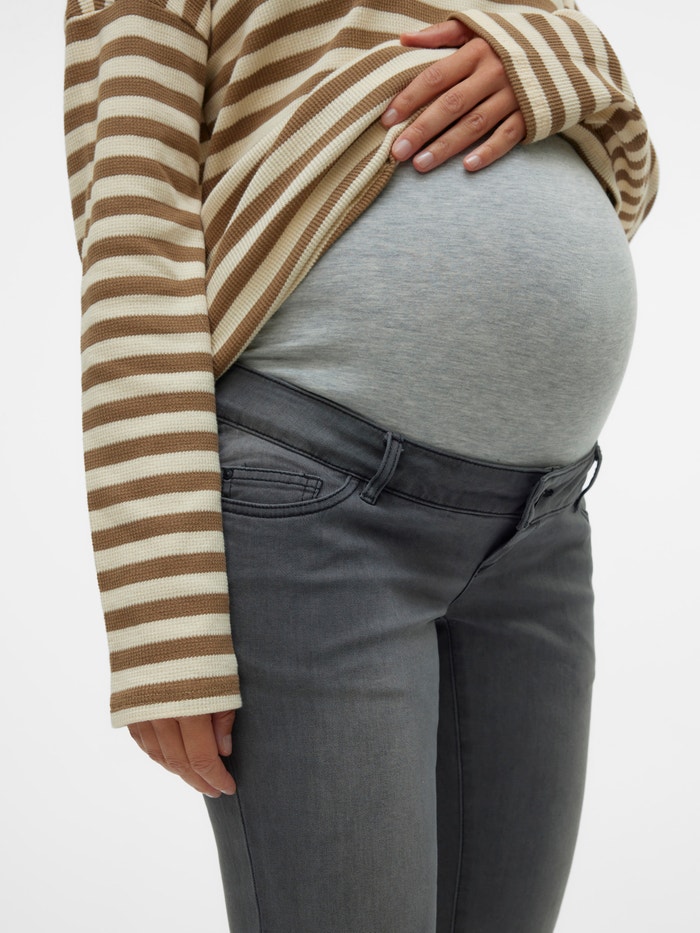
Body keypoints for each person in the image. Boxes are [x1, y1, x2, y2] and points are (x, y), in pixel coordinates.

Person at [62, 1, 657, 930]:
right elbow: (135, 227)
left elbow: (625, 182)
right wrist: (160, 620)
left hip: (540, 532)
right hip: (319, 511)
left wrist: (560, 52)